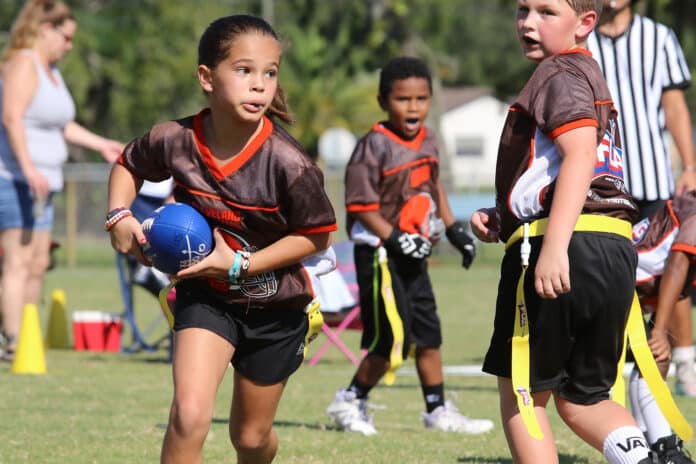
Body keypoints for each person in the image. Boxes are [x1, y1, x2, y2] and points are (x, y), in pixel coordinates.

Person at [106, 15, 337, 464]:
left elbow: (317, 237)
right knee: (189, 417)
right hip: (206, 296)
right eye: (244, 70)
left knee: (250, 439)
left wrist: (240, 264)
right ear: (207, 78)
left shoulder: (290, 163)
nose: (259, 85)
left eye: (269, 73)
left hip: (275, 306)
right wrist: (118, 215)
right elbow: (128, 164)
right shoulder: (177, 139)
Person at [471, 1, 656, 462]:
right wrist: (508, 215)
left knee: (521, 392)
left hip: (564, 245)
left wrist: (552, 247)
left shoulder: (557, 74)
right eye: (523, 10)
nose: (528, 22)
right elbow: (565, 170)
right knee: (585, 398)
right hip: (613, 248)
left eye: (547, 12)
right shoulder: (592, 79)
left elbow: (578, 157)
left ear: (585, 23)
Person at [325, 56, 493, 436]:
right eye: (403, 99)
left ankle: (437, 409)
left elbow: (433, 188)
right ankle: (350, 400)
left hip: (414, 255)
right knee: (390, 339)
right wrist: (397, 237)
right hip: (381, 255)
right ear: (384, 100)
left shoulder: (429, 140)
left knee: (429, 334)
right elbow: (361, 207)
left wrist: (454, 230)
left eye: (421, 98)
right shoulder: (372, 147)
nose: (413, 107)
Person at [0, 0, 123, 362]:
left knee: (38, 262)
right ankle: (11, 339)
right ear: (44, 28)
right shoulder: (24, 63)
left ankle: (26, 337)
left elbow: (61, 124)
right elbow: (11, 118)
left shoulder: (50, 72)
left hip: (44, 182)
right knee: (17, 262)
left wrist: (101, 143)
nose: (69, 45)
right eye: (66, 37)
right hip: (15, 179)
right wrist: (27, 169)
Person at [588, 0, 696, 398]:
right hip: (602, 184)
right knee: (610, 277)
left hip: (653, 180)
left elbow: (674, 107)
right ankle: (609, 364)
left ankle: (685, 359)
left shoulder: (659, 38)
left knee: (674, 272)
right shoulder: (579, 37)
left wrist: (689, 166)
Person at [631, 191, 696, 463]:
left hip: (629, 281)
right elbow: (677, 265)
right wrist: (658, 330)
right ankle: (661, 448)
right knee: (654, 356)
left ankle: (646, 441)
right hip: (617, 280)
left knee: (651, 360)